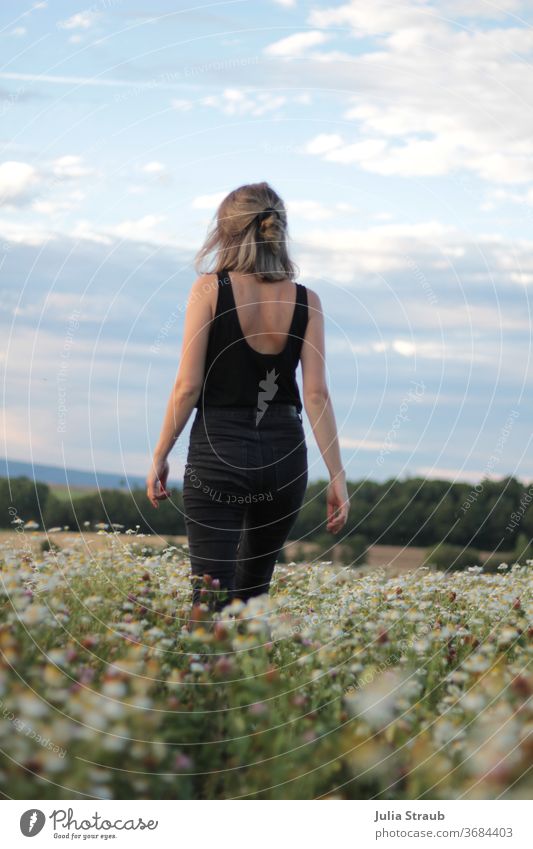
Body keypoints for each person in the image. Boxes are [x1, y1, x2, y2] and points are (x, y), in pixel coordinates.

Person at [146, 181, 349, 613]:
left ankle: (207, 676)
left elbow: (187, 386)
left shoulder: (209, 289)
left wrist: (161, 453)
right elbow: (315, 394)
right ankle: (253, 677)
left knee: (210, 600)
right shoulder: (307, 300)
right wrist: (337, 478)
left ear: (228, 232)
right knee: (254, 598)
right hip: (284, 458)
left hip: (218, 452)